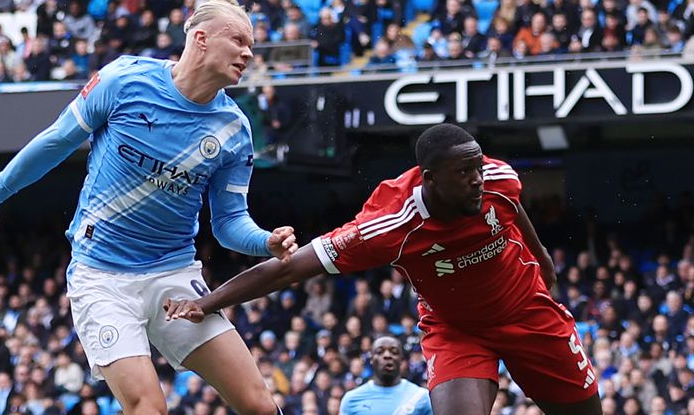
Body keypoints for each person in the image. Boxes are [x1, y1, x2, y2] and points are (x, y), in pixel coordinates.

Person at [0, 0, 297, 415]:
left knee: (260, 405)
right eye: (238, 40)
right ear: (200, 38)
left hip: (174, 274)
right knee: (148, 406)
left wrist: (265, 241)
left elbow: (229, 222)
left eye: (251, 45)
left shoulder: (234, 129)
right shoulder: (124, 81)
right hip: (102, 276)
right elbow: (56, 141)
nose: (248, 53)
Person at [164, 123, 603, 415]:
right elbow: (288, 269)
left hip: (529, 312)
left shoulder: (498, 179)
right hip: (457, 331)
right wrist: (208, 302)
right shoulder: (388, 226)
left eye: (478, 166)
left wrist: (542, 255)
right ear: (430, 179)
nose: (477, 179)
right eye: (464, 172)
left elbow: (513, 208)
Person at [339, 336, 432, 415]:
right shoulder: (351, 399)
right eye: (380, 351)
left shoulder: (421, 397)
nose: (387, 355)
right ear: (371, 359)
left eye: (394, 352)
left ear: (401, 359)